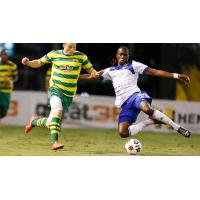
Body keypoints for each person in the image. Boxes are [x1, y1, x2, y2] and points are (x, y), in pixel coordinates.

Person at [79, 46, 191, 138]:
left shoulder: (134, 65)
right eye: (120, 54)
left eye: (125, 55)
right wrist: (76, 76)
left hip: (135, 95)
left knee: (147, 109)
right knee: (123, 133)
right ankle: (151, 121)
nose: (122, 56)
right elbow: (92, 76)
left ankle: (178, 128)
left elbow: (155, 72)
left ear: (128, 56)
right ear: (117, 56)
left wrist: (177, 76)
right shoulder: (110, 70)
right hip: (125, 103)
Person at [21, 43, 99, 150]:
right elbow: (39, 62)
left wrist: (94, 74)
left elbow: (92, 71)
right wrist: (28, 63)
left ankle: (34, 121)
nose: (72, 50)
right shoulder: (54, 54)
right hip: (55, 89)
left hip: (69, 94)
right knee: (58, 110)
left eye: (74, 47)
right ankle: (55, 142)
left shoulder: (81, 57)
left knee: (50, 123)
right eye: (70, 46)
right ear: (64, 45)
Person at [0, 49, 18, 124]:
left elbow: (15, 78)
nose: (4, 56)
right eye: (3, 54)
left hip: (6, 90)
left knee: (4, 109)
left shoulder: (12, 66)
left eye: (6, 54)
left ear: (8, 56)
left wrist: (9, 81)